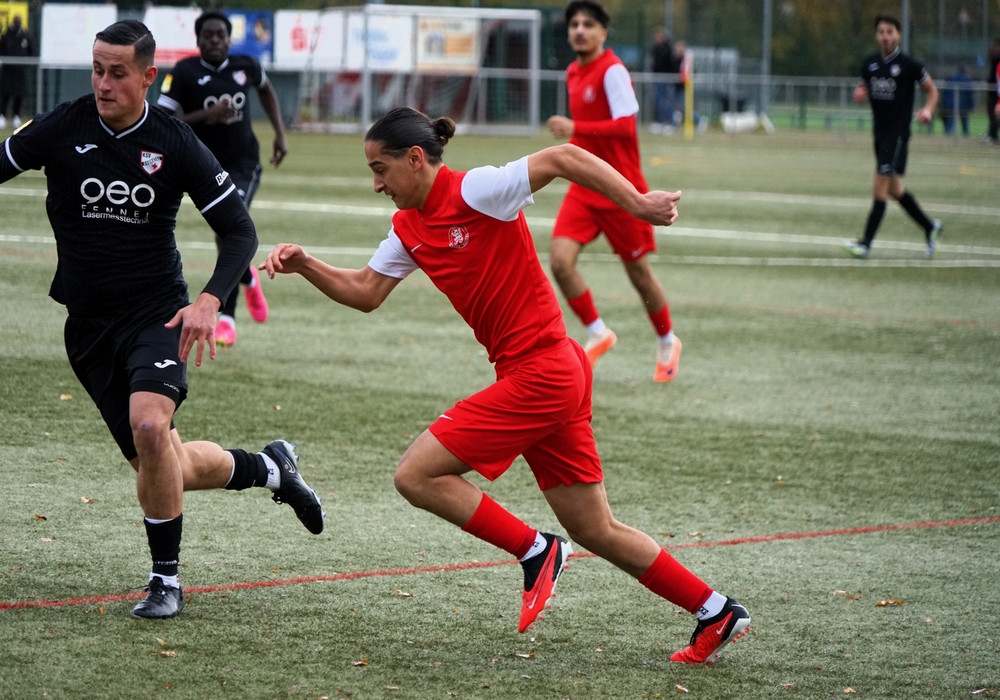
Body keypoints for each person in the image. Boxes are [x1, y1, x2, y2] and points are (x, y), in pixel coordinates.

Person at [262, 106, 751, 664]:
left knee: (415, 475)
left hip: (544, 373)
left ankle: (536, 551)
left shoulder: (478, 190)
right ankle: (716, 610)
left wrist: (637, 204)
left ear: (415, 159)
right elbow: (366, 291)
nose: (377, 184)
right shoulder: (407, 228)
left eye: (381, 169)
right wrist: (306, 264)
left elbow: (563, 157)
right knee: (596, 528)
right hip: (549, 375)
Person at [0, 20, 324, 620]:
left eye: (118, 73)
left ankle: (165, 581)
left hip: (158, 314)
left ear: (149, 76)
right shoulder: (63, 125)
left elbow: (240, 232)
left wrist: (209, 301)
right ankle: (271, 468)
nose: (103, 83)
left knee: (150, 427)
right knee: (166, 462)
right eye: (97, 70)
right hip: (88, 327)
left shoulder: (173, 141)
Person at [546, 0, 681, 383]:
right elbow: (587, 135)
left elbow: (625, 127)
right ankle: (598, 333)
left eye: (588, 24)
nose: (579, 30)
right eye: (574, 24)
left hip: (623, 190)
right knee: (559, 262)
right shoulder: (573, 72)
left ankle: (667, 340)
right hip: (585, 187)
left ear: (603, 33)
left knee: (638, 274)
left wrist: (575, 128)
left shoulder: (613, 71)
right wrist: (573, 138)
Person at [157, 10, 289, 347]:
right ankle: (248, 278)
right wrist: (209, 114)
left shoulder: (246, 66)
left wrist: (279, 133)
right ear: (198, 40)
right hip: (202, 167)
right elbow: (162, 121)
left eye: (221, 35)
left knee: (230, 229)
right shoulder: (184, 72)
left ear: (229, 39)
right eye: (209, 35)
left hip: (244, 163)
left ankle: (227, 318)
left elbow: (266, 91)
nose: (215, 40)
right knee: (227, 233)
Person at [844, 14, 942, 260]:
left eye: (890, 32)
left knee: (880, 185)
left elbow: (932, 90)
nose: (885, 36)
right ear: (876, 36)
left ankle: (866, 244)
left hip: (897, 135)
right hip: (879, 133)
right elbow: (862, 88)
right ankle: (930, 227)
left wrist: (928, 109)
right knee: (895, 190)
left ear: (898, 35)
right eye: (881, 32)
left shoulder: (909, 65)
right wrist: (859, 94)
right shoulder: (870, 64)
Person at [0, 15, 33, 130]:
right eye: (16, 22)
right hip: (8, 71)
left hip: (20, 71)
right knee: (6, 94)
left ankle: (16, 116)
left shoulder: (25, 36)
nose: (17, 24)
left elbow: (31, 51)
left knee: (19, 94)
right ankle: (3, 116)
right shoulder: (6, 36)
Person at [649, 27, 678, 133]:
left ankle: (669, 122)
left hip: (665, 77)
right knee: (658, 100)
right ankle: (660, 121)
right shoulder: (656, 48)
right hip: (657, 77)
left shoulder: (667, 49)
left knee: (664, 101)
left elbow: (669, 63)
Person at [938, 65, 974, 136]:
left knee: (950, 123)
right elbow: (970, 95)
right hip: (964, 105)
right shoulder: (967, 79)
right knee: (965, 123)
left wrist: (945, 104)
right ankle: (966, 135)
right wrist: (971, 105)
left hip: (951, 105)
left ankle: (947, 136)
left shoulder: (951, 78)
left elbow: (945, 93)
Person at [985, 37, 1000, 144]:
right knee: (993, 113)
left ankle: (992, 135)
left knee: (995, 113)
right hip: (994, 90)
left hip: (996, 90)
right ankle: (991, 134)